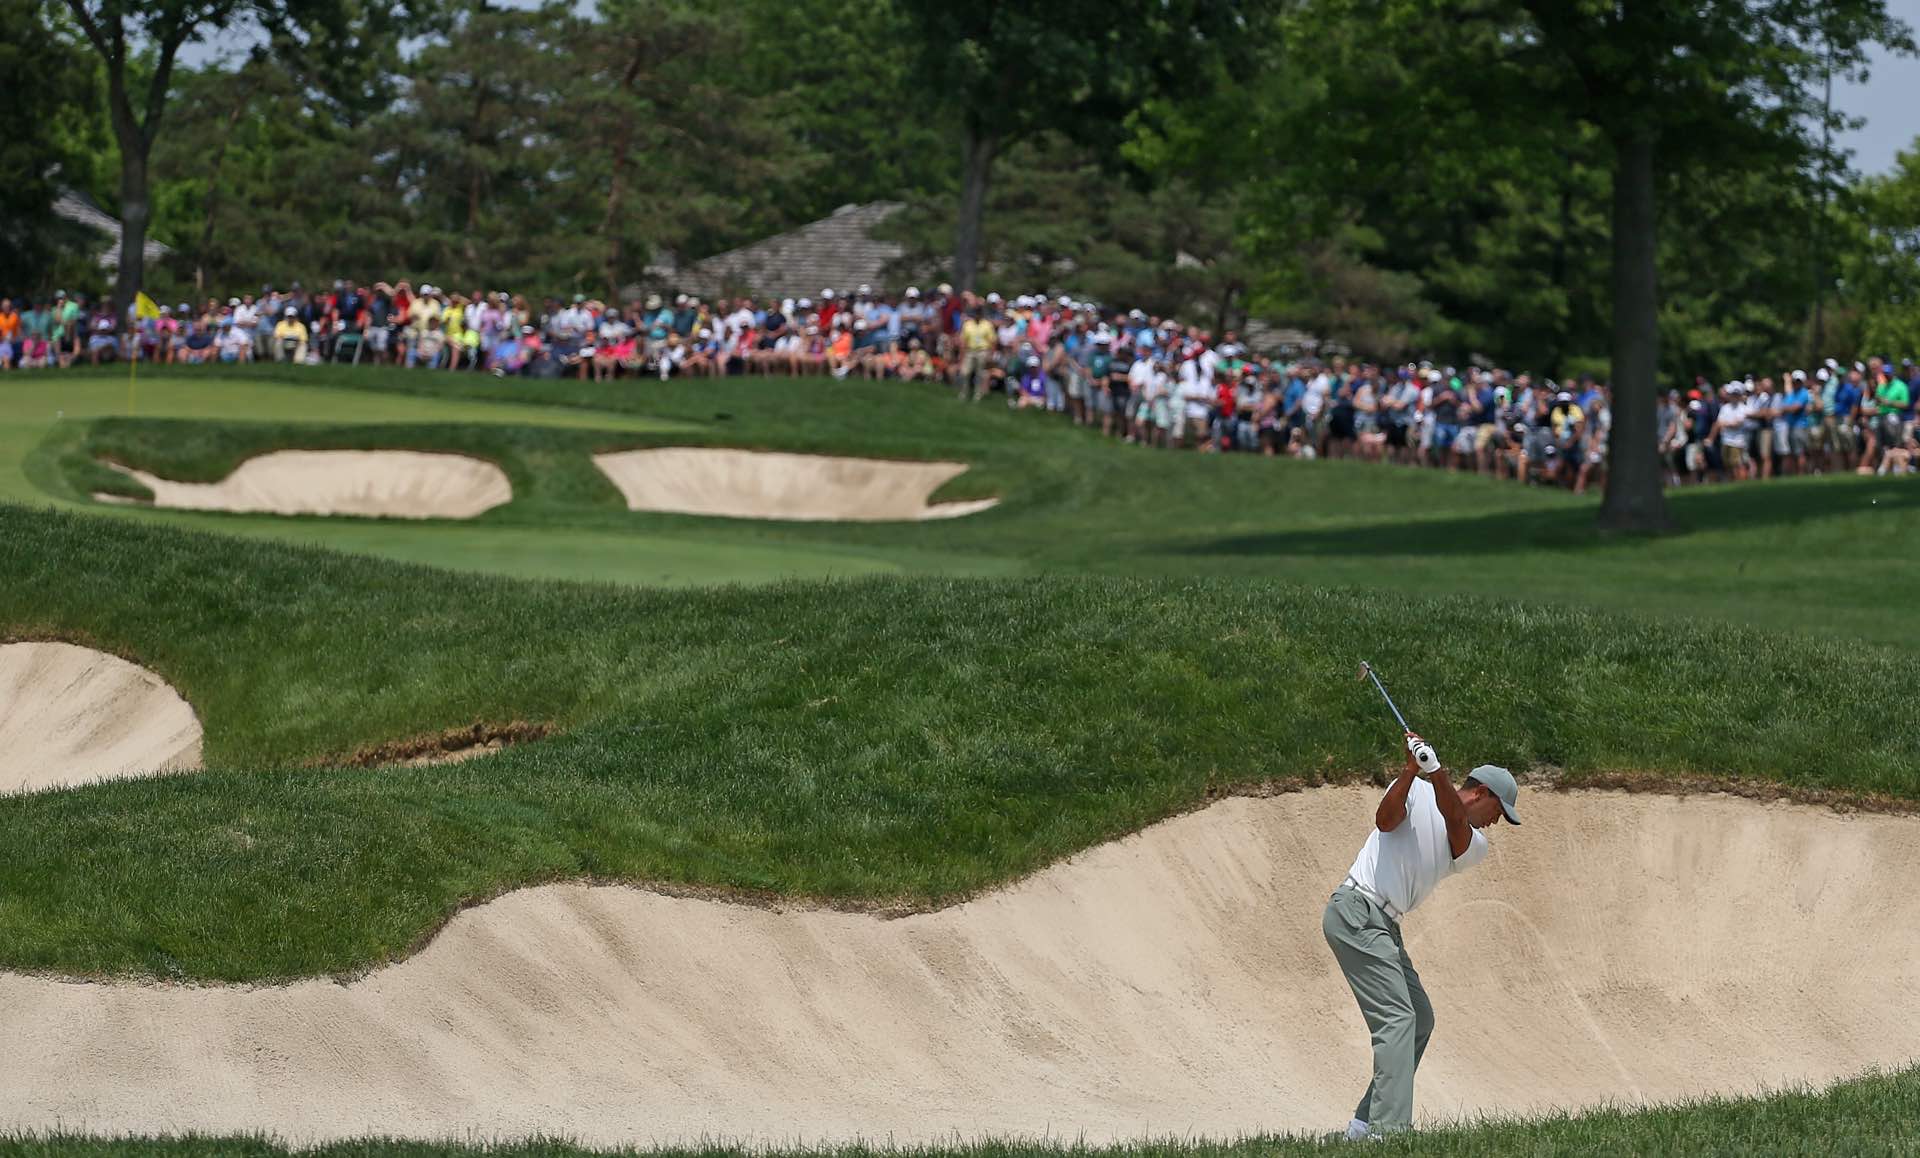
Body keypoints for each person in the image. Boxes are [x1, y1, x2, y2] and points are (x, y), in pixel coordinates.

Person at [1324, 733, 1521, 1141]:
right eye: (1498, 810)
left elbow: (1453, 817)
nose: (1496, 821)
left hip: (1384, 924)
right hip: (1357, 910)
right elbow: (1384, 820)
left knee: (1419, 1019)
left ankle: (1362, 1126)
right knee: (1398, 1018)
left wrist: (1436, 772)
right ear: (1481, 793)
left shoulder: (1474, 844)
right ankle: (1388, 1133)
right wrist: (1412, 770)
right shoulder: (1414, 789)